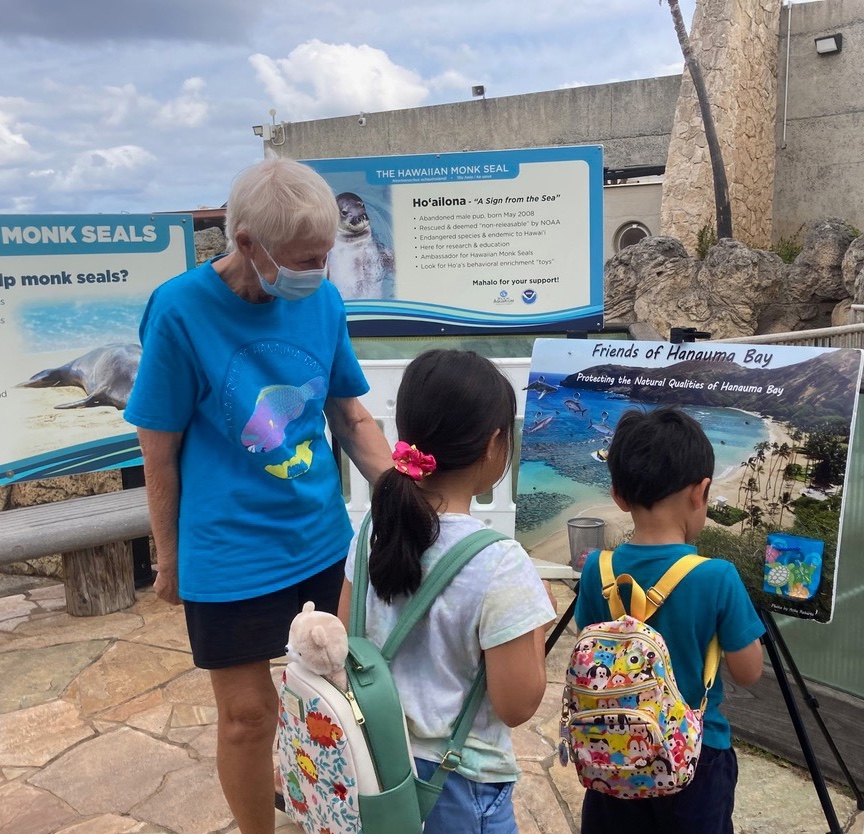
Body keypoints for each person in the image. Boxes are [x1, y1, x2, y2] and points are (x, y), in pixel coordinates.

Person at [127, 158, 393, 834]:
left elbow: (350, 416)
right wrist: (167, 557)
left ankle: (335, 816)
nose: (319, 269)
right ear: (246, 243)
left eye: (326, 254)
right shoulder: (180, 311)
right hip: (228, 549)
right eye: (305, 257)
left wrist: (400, 495)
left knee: (332, 696)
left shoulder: (321, 301)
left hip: (317, 537)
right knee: (247, 718)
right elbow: (157, 452)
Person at [338, 349, 555, 833]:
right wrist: (533, 624)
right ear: (495, 444)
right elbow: (517, 706)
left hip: (375, 768)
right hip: (457, 790)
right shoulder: (499, 562)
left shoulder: (371, 529)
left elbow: (348, 646)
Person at [574, 408, 767, 834]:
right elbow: (749, 672)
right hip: (695, 758)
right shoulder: (717, 577)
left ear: (618, 496)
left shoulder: (596, 571)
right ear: (701, 492)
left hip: (613, 753)